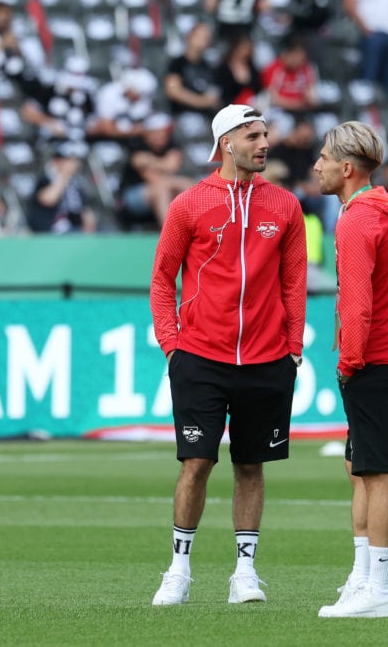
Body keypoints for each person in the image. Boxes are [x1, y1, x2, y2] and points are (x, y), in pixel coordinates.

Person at [148, 104, 307, 607]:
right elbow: (161, 280)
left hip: (267, 360)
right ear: (226, 142)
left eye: (266, 134)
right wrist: (172, 346)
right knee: (196, 463)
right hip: (200, 357)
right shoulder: (189, 204)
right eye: (253, 135)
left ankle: (245, 573)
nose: (265, 143)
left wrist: (294, 348)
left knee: (251, 466)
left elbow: (294, 282)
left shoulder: (285, 206)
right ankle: (178, 570)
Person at [312, 121, 388, 618]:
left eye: (324, 158)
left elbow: (356, 302)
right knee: (359, 466)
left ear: (347, 168)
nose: (317, 165)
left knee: (376, 472)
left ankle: (380, 588)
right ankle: (362, 576)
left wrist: (350, 360)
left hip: (373, 356)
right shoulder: (386, 213)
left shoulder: (357, 220)